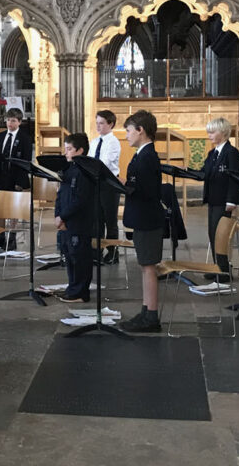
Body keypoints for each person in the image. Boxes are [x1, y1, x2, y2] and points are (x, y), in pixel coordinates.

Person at [119, 110, 165, 333]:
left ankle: (151, 316)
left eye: (128, 131)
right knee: (145, 266)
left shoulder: (147, 156)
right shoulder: (142, 154)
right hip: (143, 217)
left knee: (149, 268)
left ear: (141, 130)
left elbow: (146, 190)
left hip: (148, 218)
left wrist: (124, 185)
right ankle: (146, 311)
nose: (126, 135)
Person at [198, 117, 239, 281]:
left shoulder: (231, 153)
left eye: (212, 131)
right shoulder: (213, 153)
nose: (209, 135)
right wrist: (185, 171)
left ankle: (224, 271)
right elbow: (203, 172)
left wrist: (232, 200)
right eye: (208, 131)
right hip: (213, 200)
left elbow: (234, 178)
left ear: (223, 133)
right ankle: (218, 267)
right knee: (212, 234)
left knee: (221, 235)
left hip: (224, 201)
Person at [54, 132, 95, 303]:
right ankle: (72, 288)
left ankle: (80, 292)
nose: (66, 153)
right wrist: (58, 215)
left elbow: (80, 200)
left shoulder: (86, 172)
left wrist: (63, 216)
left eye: (69, 149)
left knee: (80, 258)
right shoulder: (69, 169)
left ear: (80, 150)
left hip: (79, 222)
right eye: (65, 149)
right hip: (66, 221)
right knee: (70, 256)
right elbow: (60, 195)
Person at [0, 108, 33, 251]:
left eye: (13, 120)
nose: (10, 123)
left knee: (13, 209)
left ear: (19, 122)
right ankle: (1, 235)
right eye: (8, 120)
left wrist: (20, 182)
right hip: (1, 177)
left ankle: (12, 237)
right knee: (0, 208)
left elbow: (26, 162)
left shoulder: (25, 138)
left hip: (15, 178)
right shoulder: (0, 136)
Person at [89, 110, 122, 264]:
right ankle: (96, 251)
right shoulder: (94, 142)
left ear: (111, 124)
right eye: (97, 123)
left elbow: (105, 163)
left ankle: (112, 252)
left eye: (101, 123)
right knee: (96, 219)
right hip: (95, 183)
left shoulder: (113, 142)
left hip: (108, 184)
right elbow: (89, 160)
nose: (98, 126)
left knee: (110, 220)